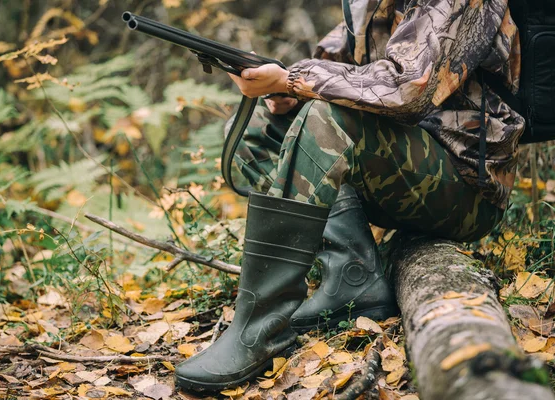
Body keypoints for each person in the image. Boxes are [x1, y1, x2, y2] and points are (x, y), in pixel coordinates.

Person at [175, 0, 523, 391]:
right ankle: (351, 274)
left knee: (326, 120)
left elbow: (407, 86)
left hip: (466, 190)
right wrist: (286, 89)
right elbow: (334, 65)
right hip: (401, 177)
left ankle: (259, 329)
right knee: (256, 130)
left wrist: (293, 81)